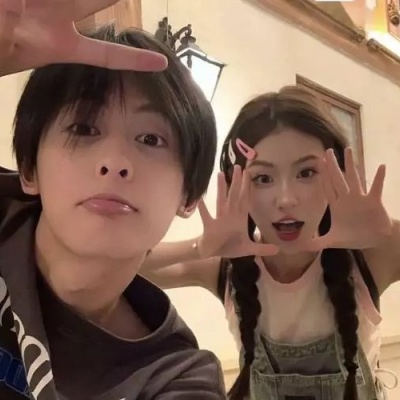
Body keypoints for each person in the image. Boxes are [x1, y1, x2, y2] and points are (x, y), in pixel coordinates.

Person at [0, 4, 226, 400]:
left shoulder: (176, 377)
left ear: (188, 194)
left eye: (151, 139)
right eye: (84, 128)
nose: (115, 162)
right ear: (30, 169)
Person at [142, 86, 400, 400]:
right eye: (263, 178)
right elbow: (113, 270)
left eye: (306, 172)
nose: (285, 199)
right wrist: (198, 246)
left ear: (338, 175)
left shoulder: (368, 257)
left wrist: (389, 231)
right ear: (238, 184)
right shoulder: (226, 266)